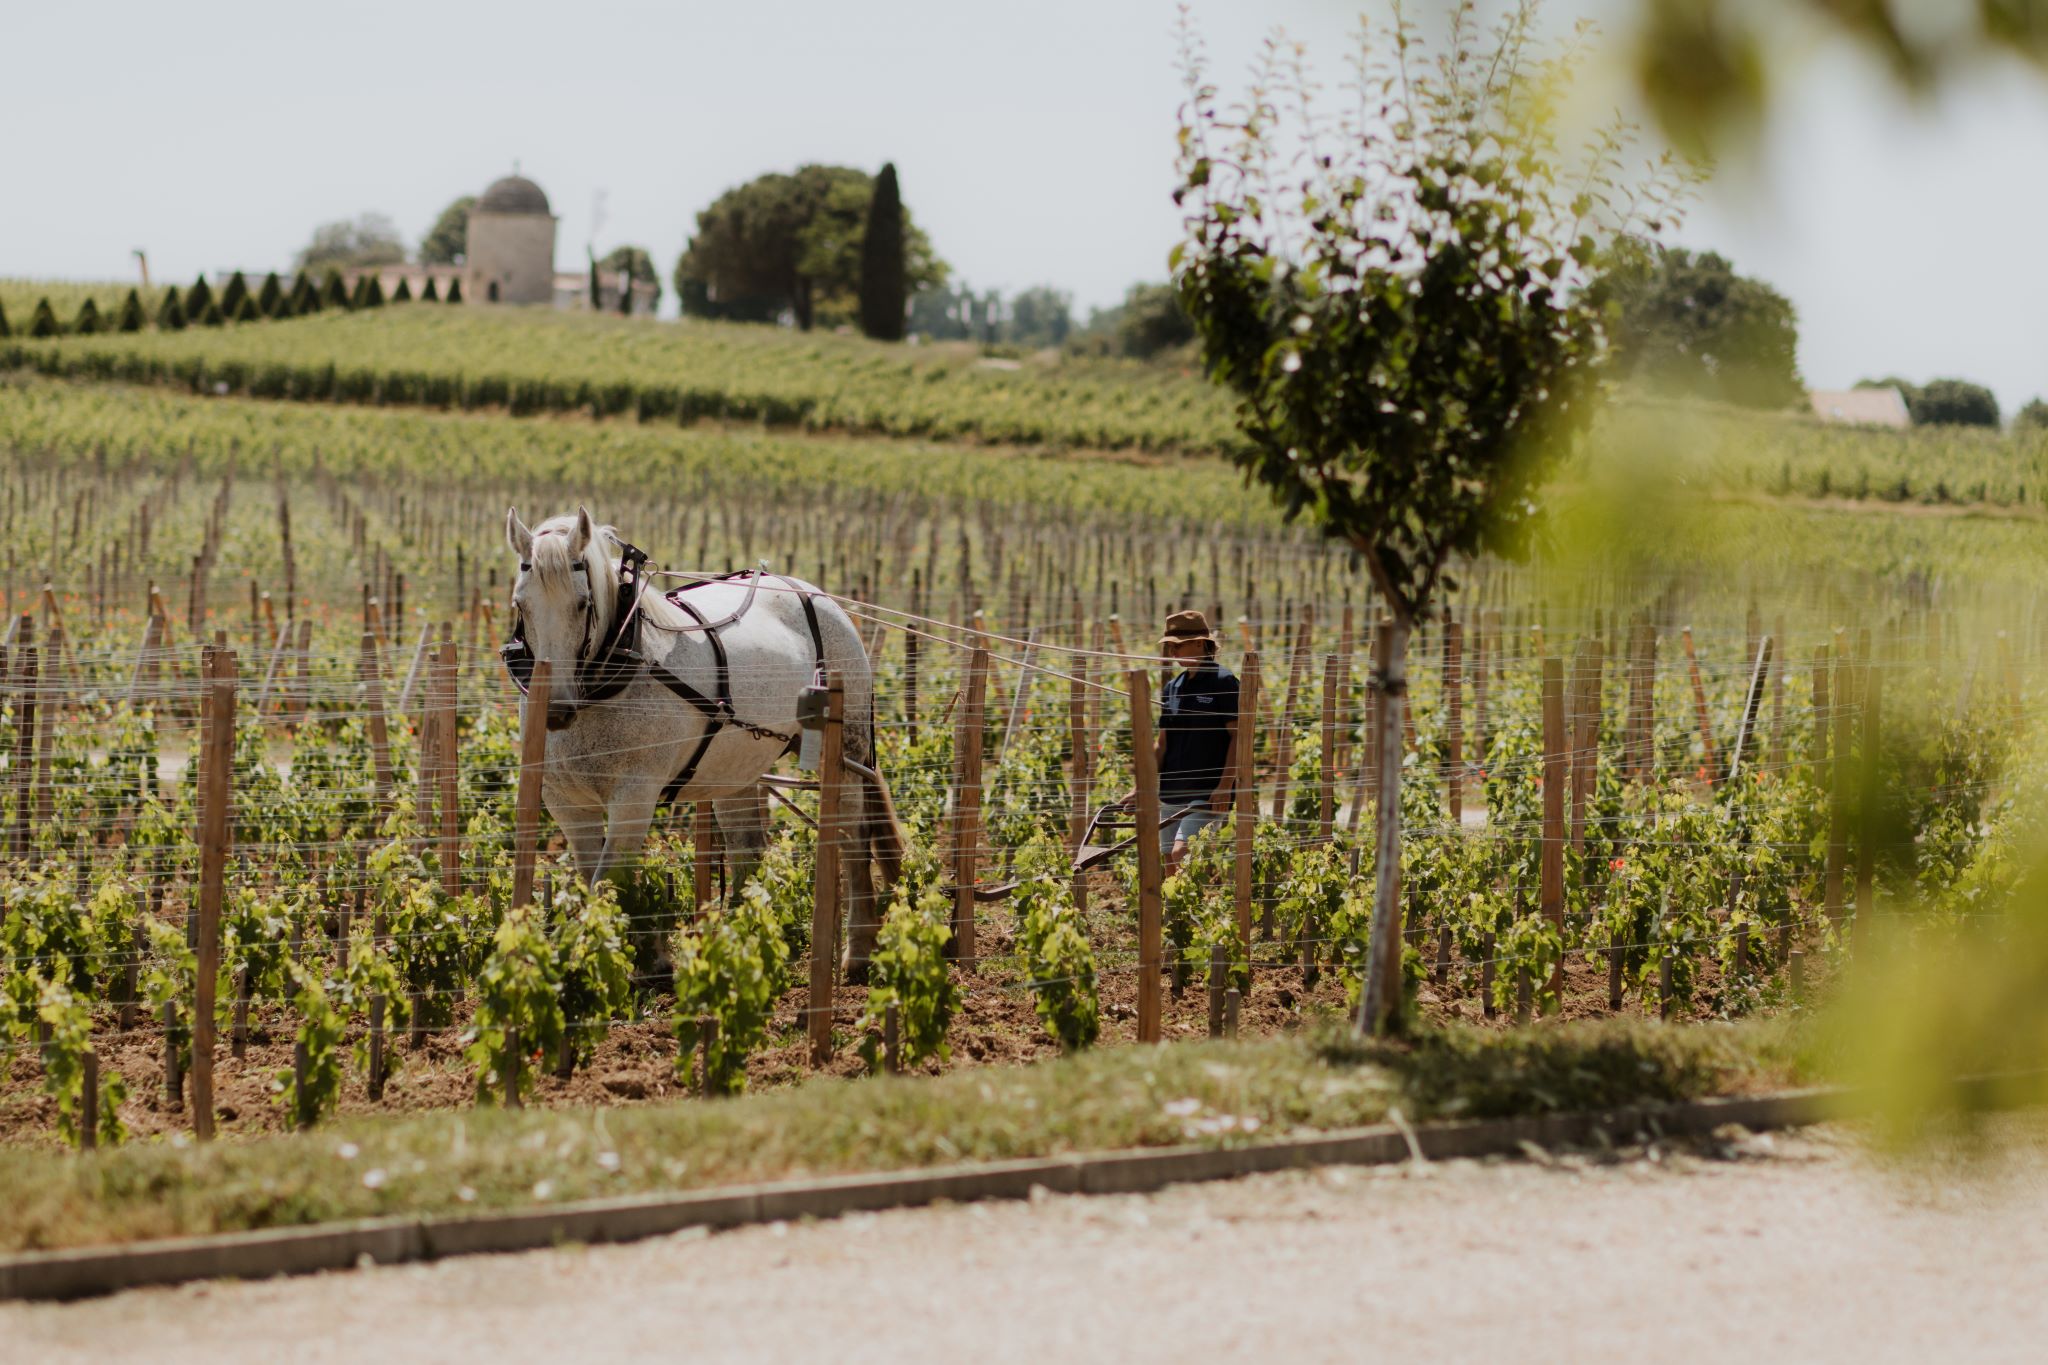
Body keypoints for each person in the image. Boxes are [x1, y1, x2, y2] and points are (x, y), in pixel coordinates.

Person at [1142, 609, 1241, 874]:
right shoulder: (1172, 688)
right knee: (1170, 867)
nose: (1172, 652)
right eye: (1169, 647)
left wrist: (1225, 785)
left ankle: (1196, 909)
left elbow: (1239, 737)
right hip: (1172, 790)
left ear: (1200, 642)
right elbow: (1162, 744)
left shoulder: (1224, 682)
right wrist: (1142, 785)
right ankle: (1179, 917)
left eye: (1178, 645)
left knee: (1182, 853)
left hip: (1207, 792)